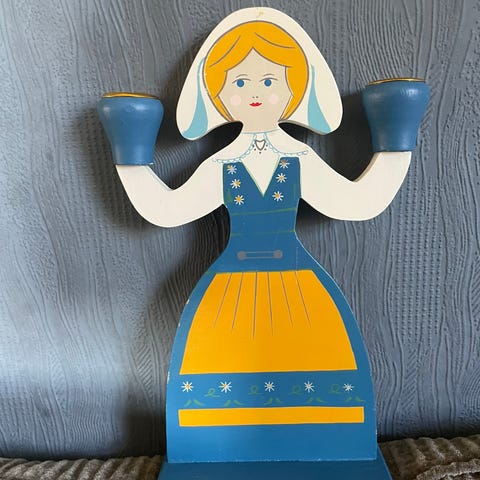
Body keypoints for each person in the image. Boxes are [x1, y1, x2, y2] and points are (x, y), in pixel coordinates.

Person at [111, 7, 414, 464]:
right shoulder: (222, 164)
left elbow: (359, 202)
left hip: (297, 290)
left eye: (269, 80)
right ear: (217, 93)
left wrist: (394, 143)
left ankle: (327, 445)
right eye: (239, 81)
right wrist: (129, 155)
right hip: (230, 295)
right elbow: (167, 209)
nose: (254, 92)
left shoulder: (299, 160)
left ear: (296, 88)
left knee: (314, 375)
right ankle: (214, 451)